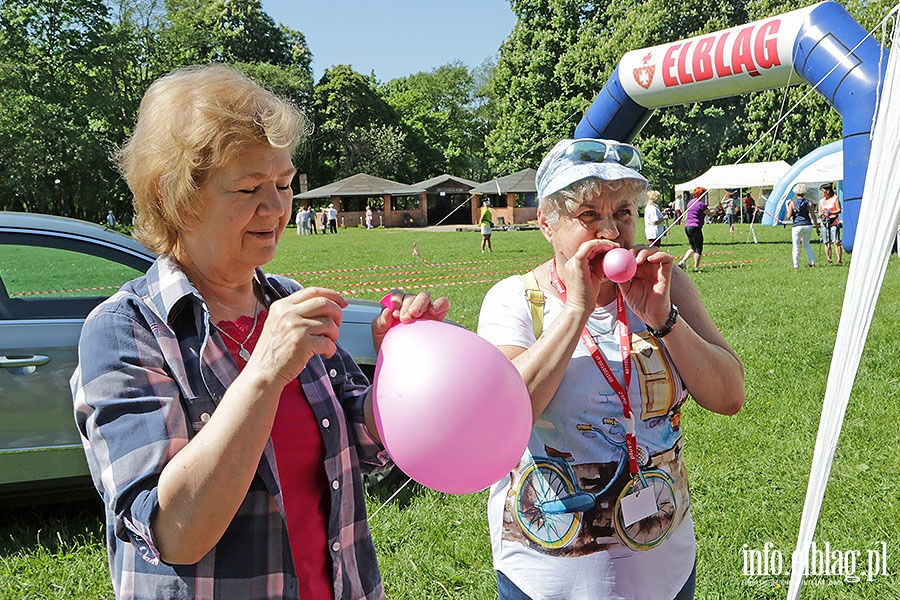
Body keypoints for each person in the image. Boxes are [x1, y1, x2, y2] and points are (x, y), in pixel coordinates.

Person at [71, 64, 450, 600]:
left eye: (283, 183)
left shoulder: (284, 300)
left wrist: (399, 369)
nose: (276, 208)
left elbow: (362, 448)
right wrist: (264, 373)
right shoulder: (126, 330)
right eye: (249, 187)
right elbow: (173, 532)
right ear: (174, 194)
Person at [477, 138, 744, 600]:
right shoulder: (514, 299)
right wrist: (576, 309)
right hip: (546, 580)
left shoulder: (667, 285)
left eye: (623, 213)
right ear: (546, 223)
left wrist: (663, 320)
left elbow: (729, 396)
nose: (611, 231)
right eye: (588, 215)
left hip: (666, 570)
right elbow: (502, 417)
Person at [677, 187, 717, 272]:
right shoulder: (701, 204)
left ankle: (683, 261)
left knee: (693, 247)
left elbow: (701, 210)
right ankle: (696, 268)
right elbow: (709, 213)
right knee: (698, 248)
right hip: (696, 227)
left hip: (688, 227)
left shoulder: (690, 202)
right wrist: (716, 210)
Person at [785, 182, 818, 268]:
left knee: (796, 246)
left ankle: (796, 265)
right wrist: (817, 227)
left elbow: (788, 216)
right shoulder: (809, 202)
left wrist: (790, 210)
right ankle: (812, 262)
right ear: (804, 192)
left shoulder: (792, 203)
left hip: (797, 225)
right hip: (808, 225)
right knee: (806, 244)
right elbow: (813, 215)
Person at [818, 182, 843, 265]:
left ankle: (839, 259)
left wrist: (831, 212)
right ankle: (829, 259)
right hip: (824, 222)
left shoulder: (835, 198)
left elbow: (839, 210)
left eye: (822, 191)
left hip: (834, 222)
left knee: (836, 241)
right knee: (826, 241)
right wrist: (821, 213)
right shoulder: (821, 201)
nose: (821, 193)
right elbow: (819, 212)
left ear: (827, 191)